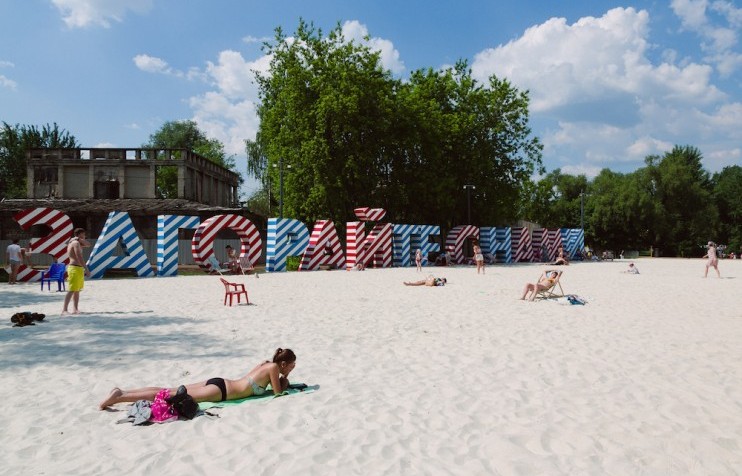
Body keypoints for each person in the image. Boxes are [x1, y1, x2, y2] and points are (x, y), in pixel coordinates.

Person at [99, 348, 297, 410]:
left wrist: (283, 375)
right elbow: (278, 393)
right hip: (221, 392)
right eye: (291, 365)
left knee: (168, 389)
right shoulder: (272, 368)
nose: (291, 368)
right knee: (170, 395)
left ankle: (124, 392)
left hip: (220, 382)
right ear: (283, 364)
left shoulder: (264, 364)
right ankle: (120, 396)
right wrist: (285, 377)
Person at [62, 228, 91, 315]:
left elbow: (89, 244)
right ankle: (64, 310)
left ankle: (75, 309)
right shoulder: (75, 243)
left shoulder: (77, 242)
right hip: (74, 268)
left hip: (78, 268)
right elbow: (79, 257)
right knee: (71, 290)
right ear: (80, 234)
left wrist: (80, 239)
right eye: (84, 234)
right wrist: (86, 269)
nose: (85, 236)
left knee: (77, 290)